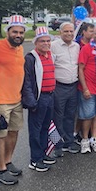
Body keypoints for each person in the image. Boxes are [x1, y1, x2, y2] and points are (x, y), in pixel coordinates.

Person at [0, 14, 27, 185]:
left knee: (13, 132)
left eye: (21, 32)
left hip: (16, 99)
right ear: (7, 32)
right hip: (0, 100)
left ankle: (8, 162)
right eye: (14, 32)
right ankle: (1, 170)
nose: (18, 35)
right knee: (0, 135)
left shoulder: (19, 48)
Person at [22, 27, 57, 172]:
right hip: (39, 97)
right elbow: (27, 81)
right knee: (35, 130)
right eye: (42, 41)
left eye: (48, 41)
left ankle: (43, 154)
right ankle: (35, 159)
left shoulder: (51, 55)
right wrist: (31, 101)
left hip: (50, 96)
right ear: (36, 42)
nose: (46, 43)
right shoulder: (31, 58)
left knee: (45, 127)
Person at [51, 22, 81, 157]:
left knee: (70, 116)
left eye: (71, 31)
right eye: (66, 31)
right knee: (57, 116)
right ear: (60, 33)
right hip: (59, 86)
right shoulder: (53, 46)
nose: (69, 34)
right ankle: (57, 143)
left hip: (73, 86)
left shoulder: (77, 46)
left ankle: (69, 141)